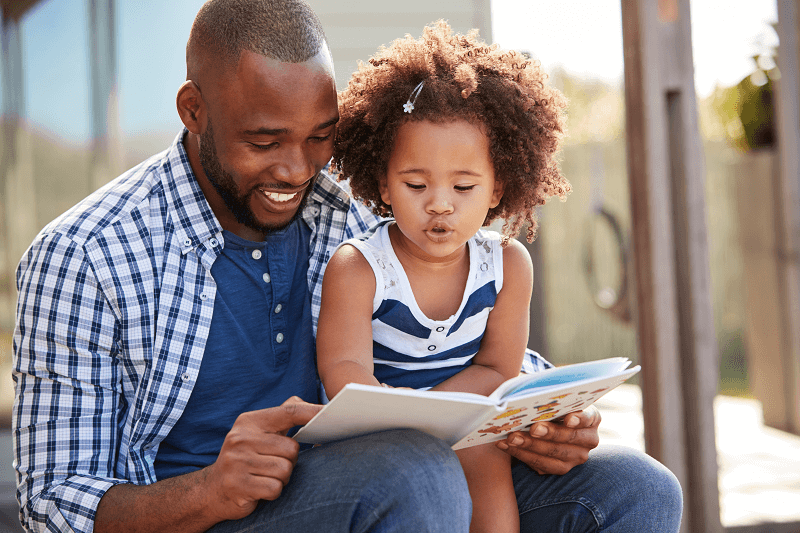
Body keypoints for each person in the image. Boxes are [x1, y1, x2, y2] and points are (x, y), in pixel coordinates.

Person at [11, 1, 683, 532]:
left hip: (384, 480)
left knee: (636, 487)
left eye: (318, 136)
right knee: (413, 473)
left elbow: (454, 342)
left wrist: (542, 415)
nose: (298, 169)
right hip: (215, 513)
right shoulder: (85, 256)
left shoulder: (358, 205)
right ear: (193, 111)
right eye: (264, 140)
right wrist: (209, 490)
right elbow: (52, 502)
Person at [317, 21, 573, 533]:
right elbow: (345, 376)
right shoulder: (360, 267)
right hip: (380, 437)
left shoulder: (507, 265)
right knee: (422, 479)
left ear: (498, 188)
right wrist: (418, 422)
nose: (439, 203)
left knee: (489, 479)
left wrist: (443, 414)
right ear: (384, 185)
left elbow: (499, 366)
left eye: (463, 185)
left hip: (468, 417)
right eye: (415, 184)